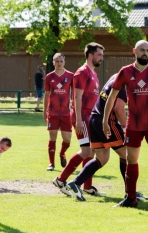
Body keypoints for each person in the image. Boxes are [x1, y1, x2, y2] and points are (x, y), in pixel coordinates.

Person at [102, 40, 148, 211]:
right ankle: (130, 198)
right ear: (134, 51)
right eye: (142, 50)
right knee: (131, 159)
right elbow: (111, 98)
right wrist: (104, 121)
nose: (145, 53)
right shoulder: (125, 72)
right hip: (134, 123)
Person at [66, 75, 148, 202]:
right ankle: (130, 192)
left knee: (102, 158)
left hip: (94, 118)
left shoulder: (115, 77)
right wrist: (126, 127)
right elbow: (118, 108)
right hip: (107, 121)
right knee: (128, 155)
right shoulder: (126, 81)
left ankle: (76, 183)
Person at [53, 42, 104, 196]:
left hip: (91, 117)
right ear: (90, 55)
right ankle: (60, 180)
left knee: (92, 151)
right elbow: (77, 96)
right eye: (99, 54)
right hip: (82, 116)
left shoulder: (94, 73)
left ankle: (87, 187)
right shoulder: (82, 72)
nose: (102, 58)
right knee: (86, 150)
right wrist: (79, 120)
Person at [43, 53, 74, 171]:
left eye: (61, 61)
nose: (59, 63)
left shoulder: (71, 75)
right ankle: (51, 163)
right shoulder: (49, 77)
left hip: (66, 113)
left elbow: (75, 94)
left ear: (64, 62)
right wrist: (44, 111)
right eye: (57, 61)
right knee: (52, 137)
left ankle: (62, 153)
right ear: (53, 62)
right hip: (53, 113)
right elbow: (46, 95)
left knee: (67, 140)